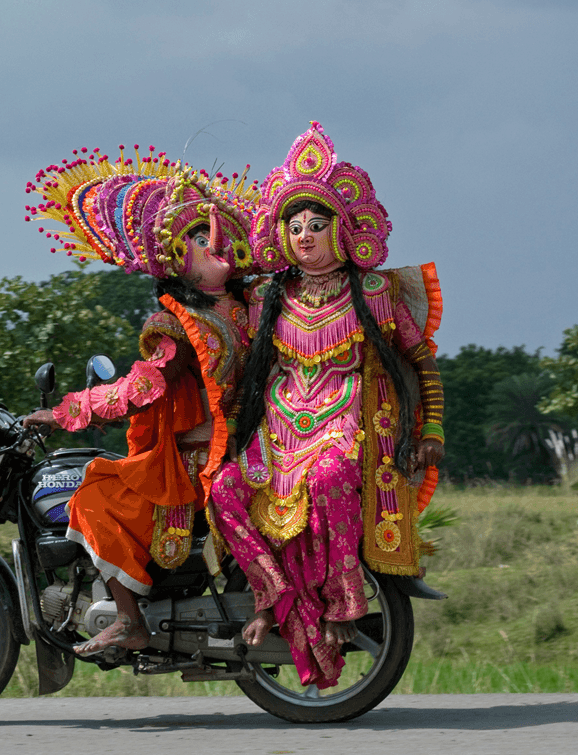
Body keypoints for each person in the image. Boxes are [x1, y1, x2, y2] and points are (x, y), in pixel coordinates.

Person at [208, 122, 446, 688]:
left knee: (333, 474)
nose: (305, 235)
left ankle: (344, 605)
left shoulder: (373, 294)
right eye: (294, 225)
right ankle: (272, 594)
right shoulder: (268, 295)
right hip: (279, 433)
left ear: (344, 230)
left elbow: (421, 359)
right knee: (222, 490)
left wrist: (431, 426)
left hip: (346, 431)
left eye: (317, 224)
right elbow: (218, 313)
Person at [20, 146, 259, 656]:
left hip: (197, 464)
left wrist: (65, 412)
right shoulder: (242, 311)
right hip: (237, 450)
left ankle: (130, 621)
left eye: (214, 235)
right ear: (177, 257)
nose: (214, 244)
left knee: (91, 497)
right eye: (200, 238)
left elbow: (140, 389)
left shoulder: (177, 322)